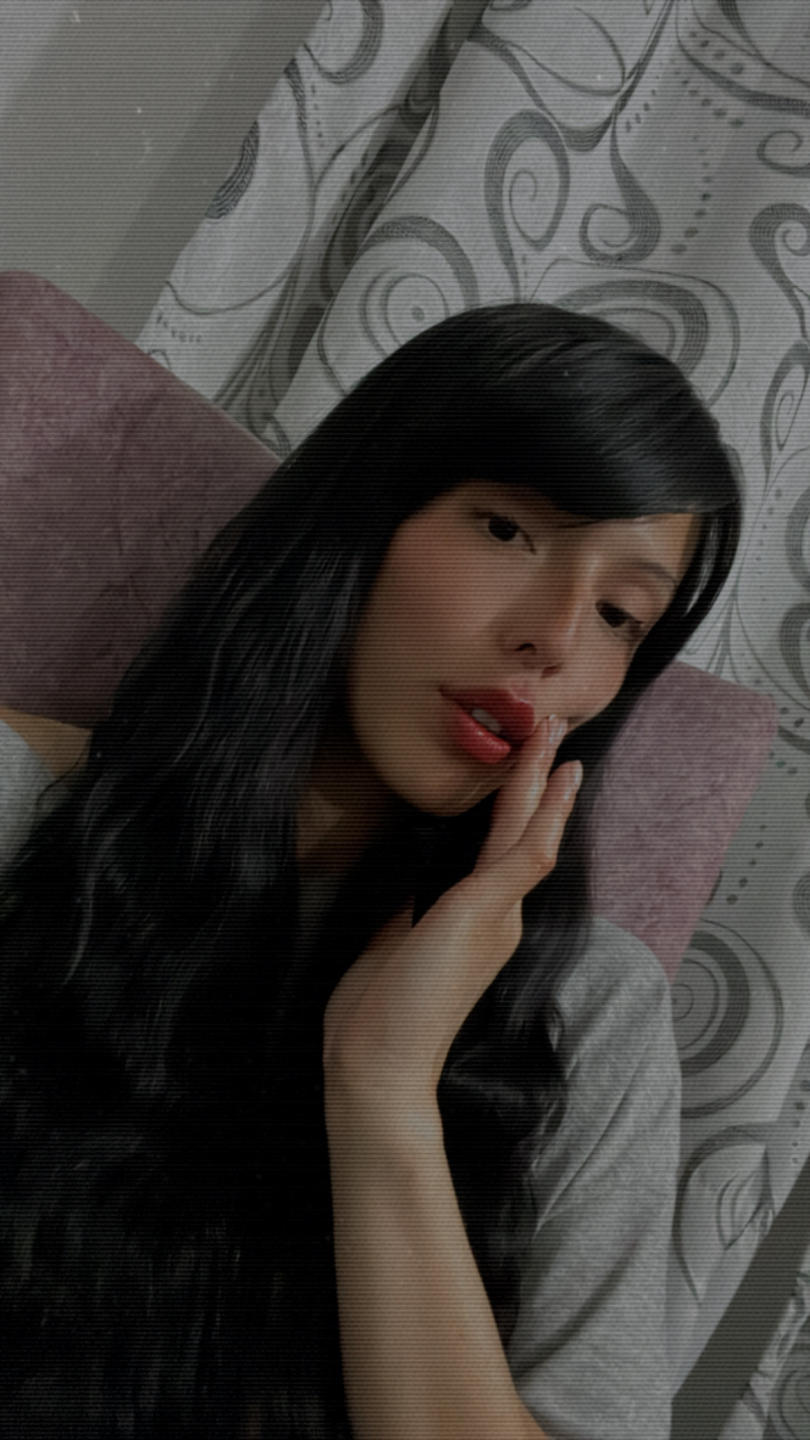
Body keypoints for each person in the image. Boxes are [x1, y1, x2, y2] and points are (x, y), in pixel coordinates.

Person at [0, 302, 741, 1440]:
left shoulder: (592, 1010)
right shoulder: (17, 806)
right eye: (509, 529)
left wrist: (383, 1084)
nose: (555, 636)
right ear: (362, 513)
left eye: (618, 613)